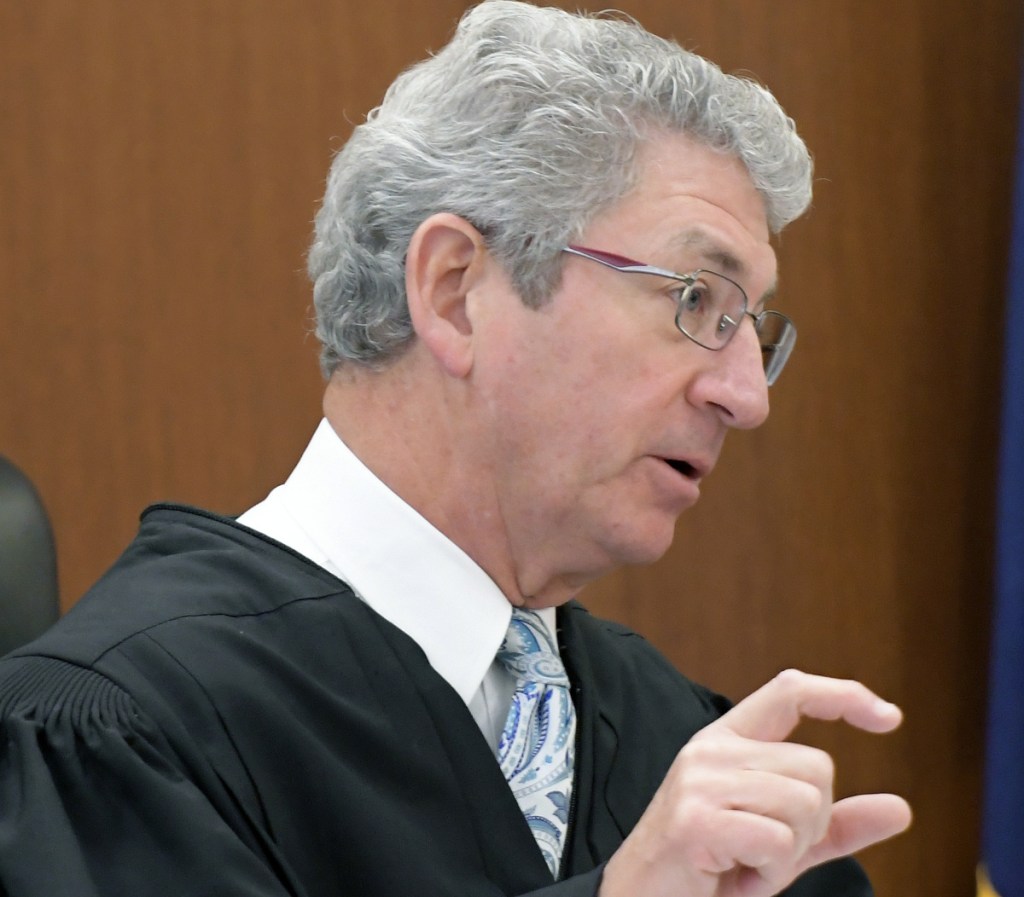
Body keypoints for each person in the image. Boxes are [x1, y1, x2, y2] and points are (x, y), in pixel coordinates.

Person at [0, 3, 911, 895]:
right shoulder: (123, 734)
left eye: (754, 328)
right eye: (695, 301)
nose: (745, 395)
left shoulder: (675, 736)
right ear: (455, 292)